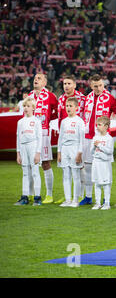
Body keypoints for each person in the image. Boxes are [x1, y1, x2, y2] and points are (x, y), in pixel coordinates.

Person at [80, 74, 116, 206]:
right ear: (91, 86)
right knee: (88, 167)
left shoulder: (110, 98)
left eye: (101, 85)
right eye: (95, 86)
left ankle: (104, 198)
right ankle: (89, 196)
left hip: (102, 137)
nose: (98, 88)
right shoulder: (87, 98)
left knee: (104, 168)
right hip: (88, 136)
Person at [29, 73, 58, 205]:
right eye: (35, 78)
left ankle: (49, 194)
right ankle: (30, 194)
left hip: (44, 133)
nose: (36, 80)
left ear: (45, 83)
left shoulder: (50, 96)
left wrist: (47, 119)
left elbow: (57, 111)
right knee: (30, 164)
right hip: (30, 134)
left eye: (39, 78)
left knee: (45, 163)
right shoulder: (29, 96)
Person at [57, 97, 85, 208]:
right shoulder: (64, 121)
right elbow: (60, 137)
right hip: (65, 149)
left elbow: (81, 139)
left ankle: (75, 200)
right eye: (67, 106)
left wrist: (79, 153)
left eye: (71, 106)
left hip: (75, 148)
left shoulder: (79, 121)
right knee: (66, 175)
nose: (68, 108)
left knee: (75, 175)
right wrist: (59, 152)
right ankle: (67, 199)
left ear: (76, 108)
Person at [15, 97, 42, 206]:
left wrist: (38, 153)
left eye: (28, 106)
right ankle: (24, 196)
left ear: (33, 108)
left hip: (33, 146)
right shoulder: (20, 122)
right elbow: (18, 137)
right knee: (25, 173)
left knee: (35, 172)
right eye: (24, 106)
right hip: (23, 147)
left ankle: (37, 197)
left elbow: (40, 138)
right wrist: (18, 153)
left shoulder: (36, 121)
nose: (25, 108)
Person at [90, 116, 114, 210]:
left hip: (105, 163)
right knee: (97, 183)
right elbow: (91, 152)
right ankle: (97, 202)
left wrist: (99, 145)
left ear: (106, 126)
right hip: (96, 162)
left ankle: (107, 203)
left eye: (100, 125)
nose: (97, 127)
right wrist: (94, 147)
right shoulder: (95, 137)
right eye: (97, 125)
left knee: (106, 183)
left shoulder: (109, 138)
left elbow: (110, 151)